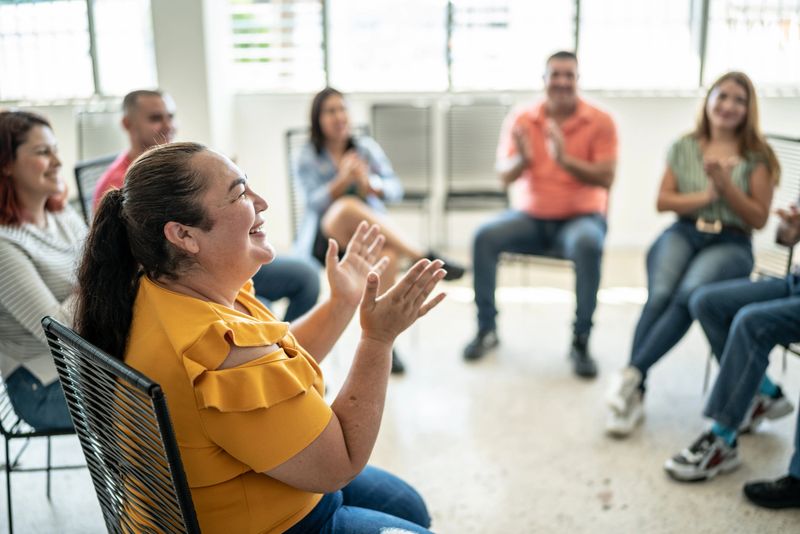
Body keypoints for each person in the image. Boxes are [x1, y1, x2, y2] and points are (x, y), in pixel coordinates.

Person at [74, 142, 445, 533]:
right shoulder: (219, 348)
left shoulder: (166, 289)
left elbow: (269, 372)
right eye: (239, 194)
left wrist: (342, 302)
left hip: (253, 487)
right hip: (277, 523)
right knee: (411, 517)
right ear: (183, 234)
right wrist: (378, 341)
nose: (261, 202)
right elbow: (339, 463)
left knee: (408, 505)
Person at [605, 72, 781, 437]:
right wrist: (708, 196)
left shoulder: (758, 156)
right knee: (660, 296)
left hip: (731, 242)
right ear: (709, 100)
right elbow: (663, 201)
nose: (729, 106)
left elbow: (758, 218)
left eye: (739, 100)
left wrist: (726, 185)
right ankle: (634, 391)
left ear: (749, 110)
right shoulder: (684, 146)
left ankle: (631, 376)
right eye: (723, 96)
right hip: (684, 231)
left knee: (689, 294)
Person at [94, 89, 320, 323]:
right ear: (127, 123)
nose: (167, 125)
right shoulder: (117, 188)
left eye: (171, 116)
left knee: (306, 276)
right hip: (195, 270)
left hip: (215, 257)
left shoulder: (182, 163)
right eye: (155, 118)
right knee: (263, 304)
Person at [462, 51, 618, 379]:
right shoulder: (523, 118)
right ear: (544, 79)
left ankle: (581, 339)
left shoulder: (600, 121)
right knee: (484, 237)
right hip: (530, 218)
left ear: (578, 80)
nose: (562, 81)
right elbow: (504, 175)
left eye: (569, 75)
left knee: (589, 244)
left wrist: (564, 160)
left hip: (581, 218)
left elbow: (606, 177)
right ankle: (486, 328)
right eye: (555, 75)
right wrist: (523, 159)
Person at [296, 87, 464, 373]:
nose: (338, 116)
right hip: (328, 238)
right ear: (318, 119)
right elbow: (312, 202)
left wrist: (372, 184)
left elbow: (394, 189)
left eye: (342, 109)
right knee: (346, 206)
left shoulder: (365, 149)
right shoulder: (308, 156)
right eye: (330, 111)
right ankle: (423, 254)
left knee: (387, 253)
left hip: (369, 235)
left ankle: (381, 338)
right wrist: (341, 181)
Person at [663, 203, 800, 509]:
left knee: (751, 323)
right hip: (795, 283)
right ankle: (763, 392)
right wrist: (792, 225)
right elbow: (785, 238)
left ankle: (722, 437)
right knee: (706, 302)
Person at [0, 110, 86, 431]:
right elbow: (59, 333)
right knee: (167, 399)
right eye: (42, 152)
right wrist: (98, 280)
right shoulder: (4, 244)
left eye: (55, 150)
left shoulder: (63, 217)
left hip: (91, 365)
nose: (57, 161)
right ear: (6, 164)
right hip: (45, 386)